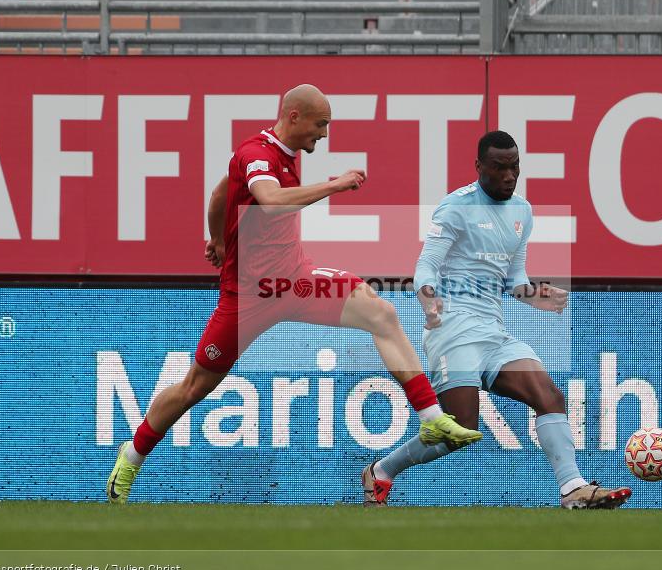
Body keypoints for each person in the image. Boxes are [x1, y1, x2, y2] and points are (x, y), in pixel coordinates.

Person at [107, 84, 482, 503]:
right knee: (194, 387)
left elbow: (219, 195)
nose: (324, 134)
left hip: (295, 282)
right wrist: (334, 186)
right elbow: (269, 201)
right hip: (248, 297)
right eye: (321, 124)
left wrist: (218, 239)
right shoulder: (256, 154)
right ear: (294, 117)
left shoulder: (285, 156)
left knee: (381, 313)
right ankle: (132, 455)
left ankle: (430, 417)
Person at [360, 131, 632, 509]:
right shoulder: (456, 207)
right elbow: (426, 266)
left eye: (514, 167)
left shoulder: (522, 212)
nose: (509, 176)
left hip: (494, 333)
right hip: (453, 330)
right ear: (479, 167)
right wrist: (428, 299)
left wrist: (537, 296)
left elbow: (514, 279)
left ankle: (573, 488)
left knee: (549, 396)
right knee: (461, 428)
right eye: (499, 167)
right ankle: (382, 471)